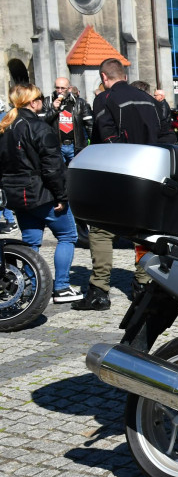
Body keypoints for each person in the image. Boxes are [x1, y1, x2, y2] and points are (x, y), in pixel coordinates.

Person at [73, 57, 160, 312]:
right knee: (143, 231)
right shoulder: (150, 100)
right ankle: (143, 285)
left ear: (103, 77)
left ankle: (99, 290)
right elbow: (168, 138)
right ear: (123, 74)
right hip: (149, 173)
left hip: (119, 172)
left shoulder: (105, 99)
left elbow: (106, 139)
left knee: (100, 230)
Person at [0, 84, 82, 303]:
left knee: (31, 243)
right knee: (67, 236)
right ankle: (62, 287)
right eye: (41, 98)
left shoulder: (6, 126)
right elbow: (52, 167)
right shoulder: (37, 126)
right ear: (32, 102)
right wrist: (62, 196)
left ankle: (32, 289)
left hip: (16, 194)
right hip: (41, 193)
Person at [40, 76, 92, 164]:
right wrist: (54, 110)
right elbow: (42, 123)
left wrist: (92, 144)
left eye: (63, 88)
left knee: (76, 172)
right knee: (60, 173)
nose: (59, 91)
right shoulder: (48, 102)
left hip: (75, 146)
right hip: (57, 146)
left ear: (69, 88)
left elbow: (89, 124)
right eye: (57, 88)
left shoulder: (79, 102)